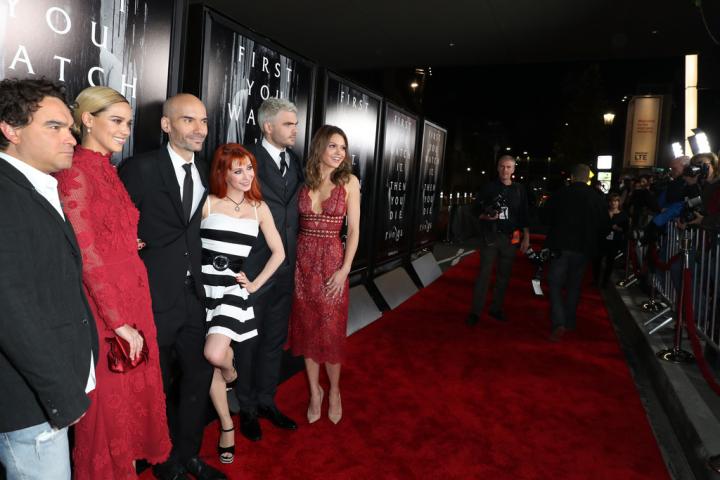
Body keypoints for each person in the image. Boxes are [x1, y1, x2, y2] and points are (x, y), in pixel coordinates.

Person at [54, 86, 171, 479]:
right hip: (105, 307)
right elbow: (86, 256)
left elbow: (106, 231)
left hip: (134, 294)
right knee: (107, 408)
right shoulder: (74, 171)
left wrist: (125, 239)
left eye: (128, 123)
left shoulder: (108, 168)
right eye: (116, 121)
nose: (125, 130)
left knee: (132, 400)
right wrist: (117, 320)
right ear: (87, 119)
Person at [119, 94, 226, 480]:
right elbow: (114, 227)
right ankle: (164, 462)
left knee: (197, 380)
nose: (199, 129)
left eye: (203, 121)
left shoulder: (208, 172)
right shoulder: (140, 168)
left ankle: (189, 454)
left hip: (196, 298)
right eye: (188, 120)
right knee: (159, 386)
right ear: (166, 125)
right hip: (152, 298)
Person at [0, 78, 98, 479]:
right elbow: (11, 311)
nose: (71, 138)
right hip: (30, 402)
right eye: (54, 127)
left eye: (69, 127)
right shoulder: (6, 195)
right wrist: (61, 396)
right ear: (10, 129)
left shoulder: (33, 186)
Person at [201, 144, 285, 463]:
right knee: (211, 361)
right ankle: (226, 426)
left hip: (233, 291)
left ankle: (232, 373)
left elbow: (279, 253)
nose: (247, 175)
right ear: (223, 173)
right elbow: (186, 247)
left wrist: (253, 284)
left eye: (250, 168)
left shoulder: (258, 207)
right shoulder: (207, 203)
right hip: (202, 289)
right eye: (238, 170)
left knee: (214, 353)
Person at [236, 98, 302, 441]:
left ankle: (266, 401)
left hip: (285, 269)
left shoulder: (295, 162)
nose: (295, 129)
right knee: (248, 342)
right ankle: (245, 407)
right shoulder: (245, 159)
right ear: (268, 127)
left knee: (274, 340)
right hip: (254, 267)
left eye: (294, 123)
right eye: (289, 124)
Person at [287, 125, 360, 425]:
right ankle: (315, 392)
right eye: (333, 146)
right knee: (307, 330)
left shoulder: (349, 182)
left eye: (343, 148)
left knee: (329, 333)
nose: (339, 153)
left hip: (332, 264)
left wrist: (344, 271)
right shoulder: (304, 182)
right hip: (302, 265)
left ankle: (335, 391)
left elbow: (354, 231)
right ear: (319, 148)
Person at [544, 164, 607, 341]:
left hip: (560, 246)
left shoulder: (560, 194)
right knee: (574, 285)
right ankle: (570, 320)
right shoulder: (596, 197)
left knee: (555, 284)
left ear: (572, 176)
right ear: (588, 178)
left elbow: (544, 217)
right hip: (583, 248)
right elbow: (604, 224)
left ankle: (559, 322)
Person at [466, 154, 530, 325]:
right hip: (490, 237)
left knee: (504, 276)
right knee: (484, 275)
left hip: (512, 238)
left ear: (514, 169)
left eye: (508, 167)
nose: (505, 170)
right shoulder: (488, 188)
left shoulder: (519, 190)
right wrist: (485, 217)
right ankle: (475, 312)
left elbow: (524, 215)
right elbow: (474, 211)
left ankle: (496, 308)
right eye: (502, 166)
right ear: (497, 168)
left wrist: (526, 237)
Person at [593, 193, 628, 288]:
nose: (614, 203)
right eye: (612, 201)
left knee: (610, 262)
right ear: (609, 202)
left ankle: (605, 282)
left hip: (614, 241)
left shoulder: (623, 215)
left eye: (616, 201)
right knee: (597, 260)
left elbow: (626, 229)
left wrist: (618, 228)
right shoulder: (603, 212)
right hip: (601, 239)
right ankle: (596, 280)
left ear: (619, 202)